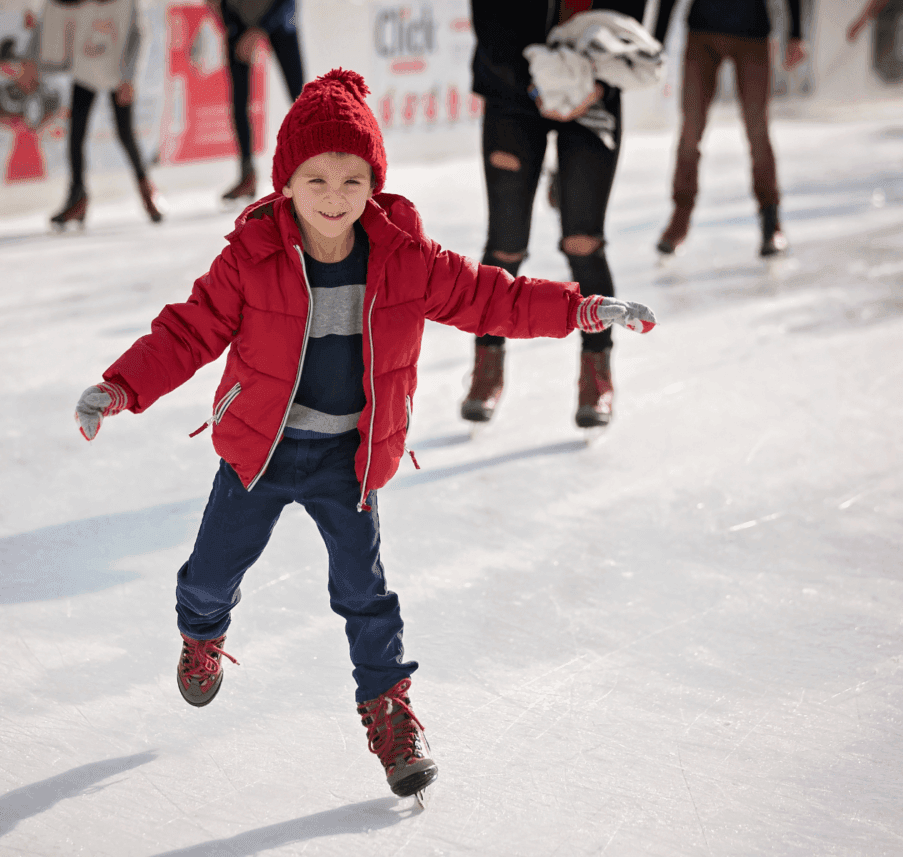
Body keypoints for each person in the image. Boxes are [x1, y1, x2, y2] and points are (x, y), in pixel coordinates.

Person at [72, 69, 656, 798]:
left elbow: (490, 297)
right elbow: (188, 330)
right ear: (286, 181)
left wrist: (582, 310)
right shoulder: (250, 258)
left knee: (365, 593)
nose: (334, 196)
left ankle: (390, 708)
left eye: (353, 179)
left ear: (373, 182)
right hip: (262, 452)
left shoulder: (404, 256)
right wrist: (120, 385)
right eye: (316, 177)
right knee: (208, 575)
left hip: (350, 458)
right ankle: (201, 637)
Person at [462, 0, 653, 430]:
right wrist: (533, 88)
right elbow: (490, 21)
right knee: (505, 244)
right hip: (511, 94)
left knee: (583, 241)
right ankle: (487, 368)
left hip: (594, 92)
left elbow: (628, 20)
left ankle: (596, 376)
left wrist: (596, 87)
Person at [653, 0, 806, 259]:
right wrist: (656, 42)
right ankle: (679, 219)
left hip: (753, 33)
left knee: (758, 130)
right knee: (691, 129)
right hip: (702, 32)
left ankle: (771, 221)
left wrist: (796, 34)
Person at [24, 0, 164, 228]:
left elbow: (138, 35)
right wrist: (32, 59)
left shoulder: (126, 4)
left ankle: (147, 189)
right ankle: (77, 196)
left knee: (125, 133)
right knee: (76, 134)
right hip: (86, 70)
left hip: (117, 72)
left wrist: (130, 78)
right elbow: (51, 16)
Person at [206, 0, 305, 203]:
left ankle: (315, 167)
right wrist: (227, 18)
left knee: (300, 100)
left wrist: (259, 31)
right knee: (239, 101)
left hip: (279, 18)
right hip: (239, 20)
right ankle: (247, 175)